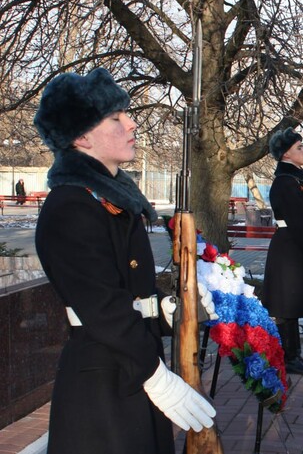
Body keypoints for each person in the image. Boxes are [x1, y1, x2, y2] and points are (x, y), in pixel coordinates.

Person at [33, 68, 215, 453]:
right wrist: (156, 375)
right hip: (104, 387)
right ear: (81, 137)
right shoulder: (71, 205)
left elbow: (128, 288)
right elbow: (101, 305)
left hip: (130, 370)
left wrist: (166, 309)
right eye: (115, 117)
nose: (131, 123)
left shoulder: (109, 200)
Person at [261, 127, 303, 375]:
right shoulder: (285, 182)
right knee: (286, 306)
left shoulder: (298, 179)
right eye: (299, 147)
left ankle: (293, 355)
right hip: (289, 248)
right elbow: (298, 223)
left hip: (295, 247)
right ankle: (289, 357)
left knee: (292, 305)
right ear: (286, 154)